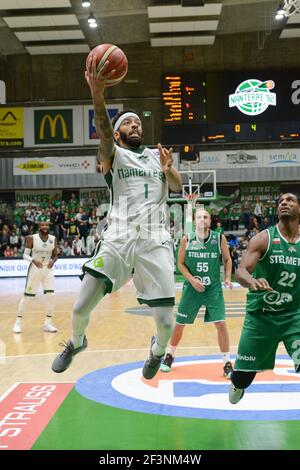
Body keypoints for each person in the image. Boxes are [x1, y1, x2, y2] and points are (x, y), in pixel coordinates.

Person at [51, 52, 182, 377]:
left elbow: (177, 187)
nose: (134, 125)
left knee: (166, 325)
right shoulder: (115, 155)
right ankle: (76, 342)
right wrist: (98, 93)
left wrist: (169, 169)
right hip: (118, 239)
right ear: (120, 132)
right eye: (127, 123)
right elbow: (104, 132)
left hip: (155, 241)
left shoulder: (156, 156)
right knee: (81, 307)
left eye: (137, 122)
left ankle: (157, 350)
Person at [229, 193, 300, 404]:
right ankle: (237, 384)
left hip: (294, 316)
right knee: (242, 379)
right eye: (281, 202)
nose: (284, 203)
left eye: (290, 200)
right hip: (261, 317)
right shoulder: (263, 238)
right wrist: (251, 281)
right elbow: (240, 271)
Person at [161, 208, 234, 378]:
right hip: (192, 289)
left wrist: (228, 277)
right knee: (180, 324)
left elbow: (227, 259)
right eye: (199, 217)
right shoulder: (187, 239)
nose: (202, 219)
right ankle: (170, 355)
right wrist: (192, 280)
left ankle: (227, 363)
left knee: (221, 324)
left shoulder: (218, 238)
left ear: (210, 220)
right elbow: (180, 264)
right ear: (195, 221)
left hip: (213, 288)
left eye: (206, 217)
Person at [13, 221, 58, 334]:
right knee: (28, 297)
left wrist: (53, 261)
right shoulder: (31, 238)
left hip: (48, 270)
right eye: (43, 225)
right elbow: (25, 255)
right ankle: (17, 323)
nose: (45, 227)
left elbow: (55, 255)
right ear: (39, 227)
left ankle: (48, 323)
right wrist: (33, 260)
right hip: (35, 269)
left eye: (47, 225)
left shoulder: (53, 238)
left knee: (51, 295)